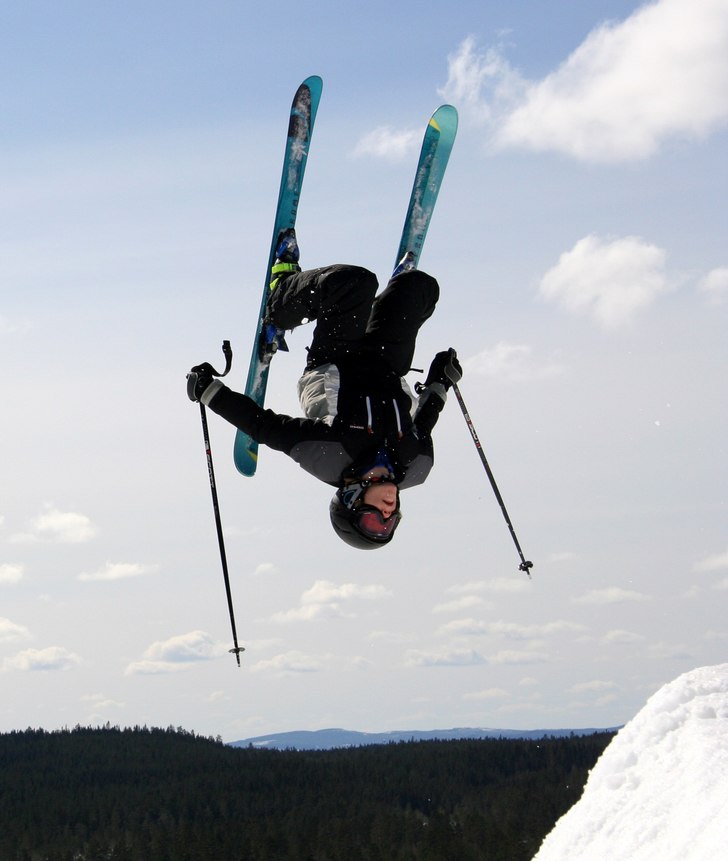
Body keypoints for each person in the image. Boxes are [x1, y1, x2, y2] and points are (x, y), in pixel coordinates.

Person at [187, 229, 462, 549]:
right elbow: (425, 420)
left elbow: (265, 427)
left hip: (336, 362)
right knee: (420, 288)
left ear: (350, 501)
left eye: (374, 519)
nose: (388, 513)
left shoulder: (331, 456)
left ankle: (281, 297)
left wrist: (207, 391)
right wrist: (442, 380)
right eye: (392, 521)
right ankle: (391, 300)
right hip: (385, 366)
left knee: (353, 282)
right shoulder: (415, 466)